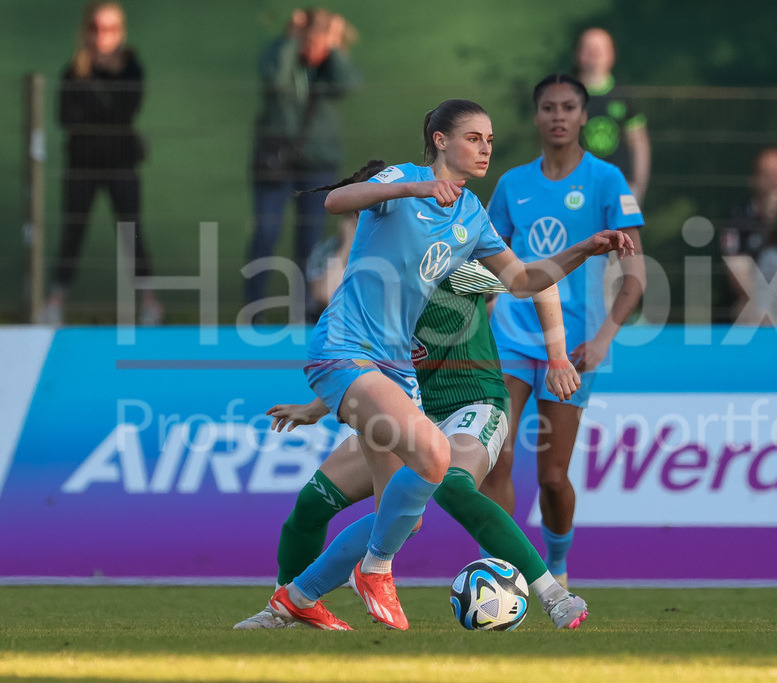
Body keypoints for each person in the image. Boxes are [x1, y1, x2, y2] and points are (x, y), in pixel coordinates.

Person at [270, 99, 633, 631]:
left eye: (489, 139)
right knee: (335, 498)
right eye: (473, 138)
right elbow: (341, 200)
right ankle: (326, 586)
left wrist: (584, 249)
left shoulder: (466, 233)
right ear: (440, 141)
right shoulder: (404, 190)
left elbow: (528, 282)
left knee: (415, 499)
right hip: (360, 362)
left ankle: (301, 598)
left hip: (431, 389)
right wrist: (406, 188)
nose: (485, 147)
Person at [235, 257, 588, 631]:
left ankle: (555, 596)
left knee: (452, 486)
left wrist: (558, 357)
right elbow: (366, 365)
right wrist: (317, 408)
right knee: (311, 503)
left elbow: (542, 281)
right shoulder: (376, 291)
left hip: (473, 404)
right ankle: (283, 612)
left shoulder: (454, 267)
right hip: (408, 416)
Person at [480, 75, 646, 590]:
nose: (558, 116)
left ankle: (556, 567)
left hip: (572, 345)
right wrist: (482, 315)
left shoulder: (607, 180)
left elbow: (635, 278)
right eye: (548, 107)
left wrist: (603, 340)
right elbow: (486, 267)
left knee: (552, 476)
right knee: (496, 458)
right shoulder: (511, 185)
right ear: (536, 117)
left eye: (568, 107)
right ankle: (504, 574)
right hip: (509, 337)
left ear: (583, 117)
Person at [43, 0, 162, 326]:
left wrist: (98, 103)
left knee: (131, 230)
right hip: (81, 164)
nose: (102, 36)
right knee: (73, 231)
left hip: (121, 162)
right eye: (95, 28)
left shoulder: (132, 68)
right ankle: (55, 300)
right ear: (85, 31)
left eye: (109, 29)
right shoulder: (73, 70)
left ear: (120, 32)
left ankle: (149, 300)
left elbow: (125, 110)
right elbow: (67, 118)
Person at [246, 8, 360, 320]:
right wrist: (289, 40)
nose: (316, 51)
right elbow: (276, 81)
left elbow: (347, 84)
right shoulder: (279, 55)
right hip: (275, 161)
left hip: (319, 163)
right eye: (312, 43)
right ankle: (254, 309)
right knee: (266, 232)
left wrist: (335, 47)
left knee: (310, 240)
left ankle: (306, 311)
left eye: (323, 45)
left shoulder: (329, 67)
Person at [720, 147, 777, 326]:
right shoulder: (739, 221)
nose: (776, 180)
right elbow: (741, 283)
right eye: (767, 174)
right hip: (761, 311)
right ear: (753, 180)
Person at [574, 27, 650, 205]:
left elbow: (638, 142)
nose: (595, 54)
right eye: (589, 48)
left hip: (619, 187)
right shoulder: (568, 96)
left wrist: (638, 185)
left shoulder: (624, 96)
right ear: (579, 54)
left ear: (611, 54)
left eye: (600, 48)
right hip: (577, 187)